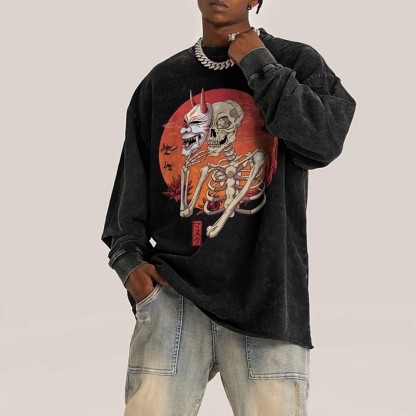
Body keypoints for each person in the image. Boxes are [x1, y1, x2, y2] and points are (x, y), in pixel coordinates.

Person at [101, 0, 356, 414]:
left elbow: (324, 141)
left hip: (267, 302)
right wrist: (129, 263)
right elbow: (129, 194)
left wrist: (259, 64)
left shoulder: (294, 62)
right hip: (173, 298)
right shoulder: (161, 82)